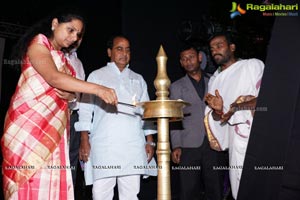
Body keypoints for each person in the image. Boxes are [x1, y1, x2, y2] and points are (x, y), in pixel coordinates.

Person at [1, 12, 117, 200]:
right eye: (70, 30)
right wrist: (98, 89)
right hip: (28, 128)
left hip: (54, 132)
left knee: (51, 183)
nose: (73, 38)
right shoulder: (38, 44)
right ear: (55, 24)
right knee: (29, 180)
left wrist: (71, 96)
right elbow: (53, 78)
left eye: (77, 34)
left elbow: (68, 93)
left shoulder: (64, 61)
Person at [75, 35, 157, 200]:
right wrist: (84, 139)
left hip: (133, 144)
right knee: (101, 194)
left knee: (131, 194)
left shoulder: (138, 79)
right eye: (119, 48)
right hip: (105, 145)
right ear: (109, 52)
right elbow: (84, 110)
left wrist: (150, 141)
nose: (124, 53)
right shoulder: (96, 76)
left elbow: (146, 112)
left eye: (127, 50)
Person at [204, 32, 265, 199]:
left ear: (232, 47)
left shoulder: (252, 66)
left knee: (263, 185)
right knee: (239, 187)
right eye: (211, 48)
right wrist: (217, 111)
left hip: (259, 137)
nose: (214, 50)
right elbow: (217, 119)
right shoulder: (215, 80)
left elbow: (268, 99)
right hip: (235, 142)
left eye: (219, 45)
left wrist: (237, 107)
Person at [170, 45, 227, 200]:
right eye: (184, 59)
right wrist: (176, 145)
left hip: (213, 143)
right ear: (181, 63)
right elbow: (175, 118)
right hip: (188, 146)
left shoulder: (214, 80)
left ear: (199, 58)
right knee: (188, 190)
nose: (188, 61)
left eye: (191, 57)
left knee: (215, 188)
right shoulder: (176, 87)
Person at [64, 38, 85, 188]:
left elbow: (82, 95)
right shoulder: (53, 56)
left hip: (74, 116)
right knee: (55, 160)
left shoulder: (78, 63)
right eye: (72, 32)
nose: (76, 39)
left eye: (80, 35)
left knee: (71, 160)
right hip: (57, 116)